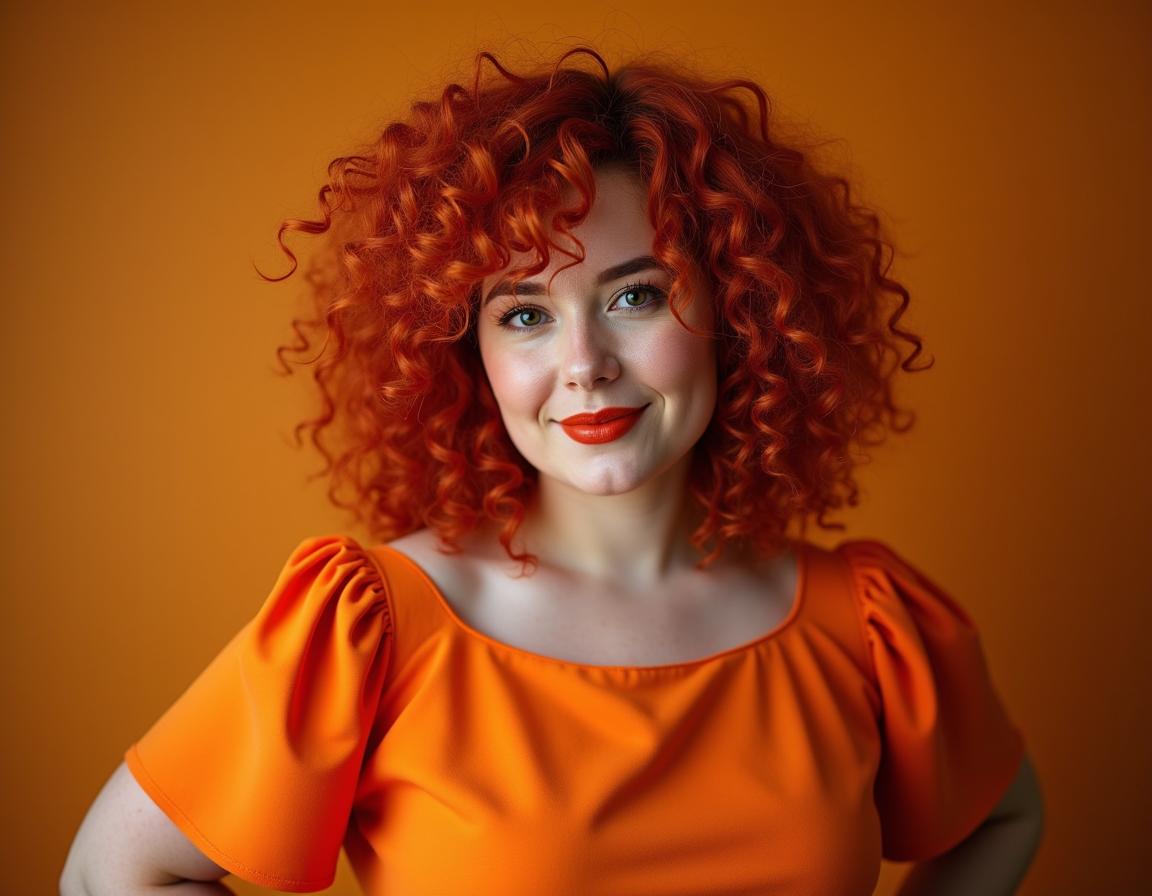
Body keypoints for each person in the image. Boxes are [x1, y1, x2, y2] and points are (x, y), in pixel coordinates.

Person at [61, 45, 1044, 896]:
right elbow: (114, 871)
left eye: (637, 296)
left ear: (741, 312)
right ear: (469, 353)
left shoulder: (867, 629)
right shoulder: (373, 627)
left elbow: (1006, 816)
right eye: (526, 313)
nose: (584, 364)